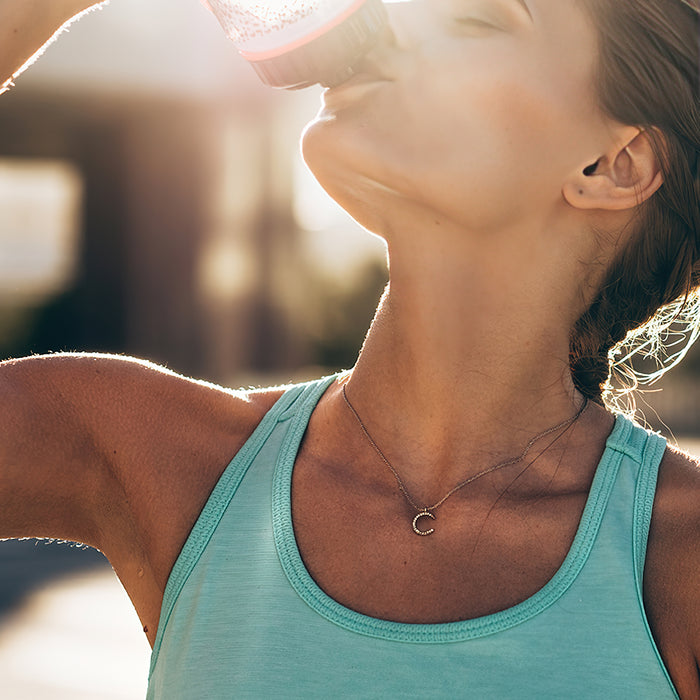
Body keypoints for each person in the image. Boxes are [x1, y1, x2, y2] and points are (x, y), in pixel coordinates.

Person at [1, 0, 699, 697]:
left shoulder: (681, 553)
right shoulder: (157, 455)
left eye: (477, 19)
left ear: (614, 165)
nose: (390, 25)